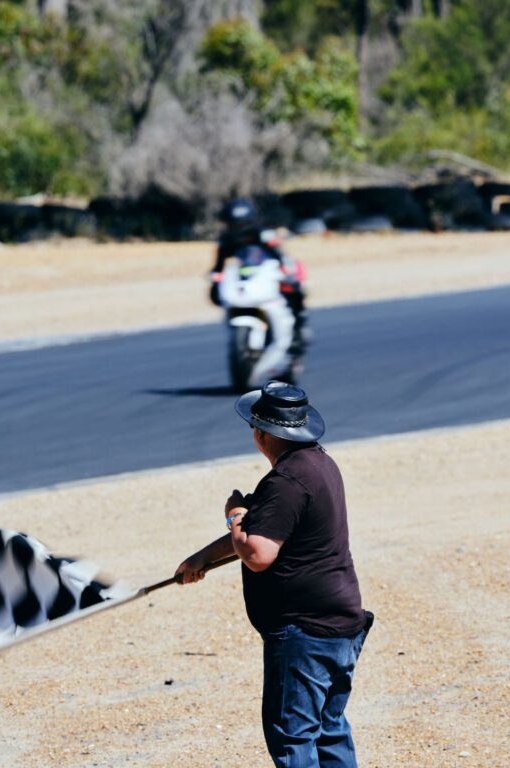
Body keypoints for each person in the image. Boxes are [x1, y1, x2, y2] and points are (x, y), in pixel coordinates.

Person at [176, 381, 373, 768]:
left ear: (262, 434)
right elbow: (267, 531)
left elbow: (257, 552)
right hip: (339, 622)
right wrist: (202, 557)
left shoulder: (286, 482)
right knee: (329, 729)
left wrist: (234, 512)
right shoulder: (318, 464)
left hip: (305, 631)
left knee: (293, 736)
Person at [210, 198, 308, 354]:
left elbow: (280, 255)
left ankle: (298, 326)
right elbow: (218, 266)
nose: (237, 229)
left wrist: (287, 272)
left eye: (240, 224)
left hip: (267, 271)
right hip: (245, 276)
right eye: (233, 224)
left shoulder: (264, 235)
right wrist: (215, 281)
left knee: (293, 289)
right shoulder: (226, 241)